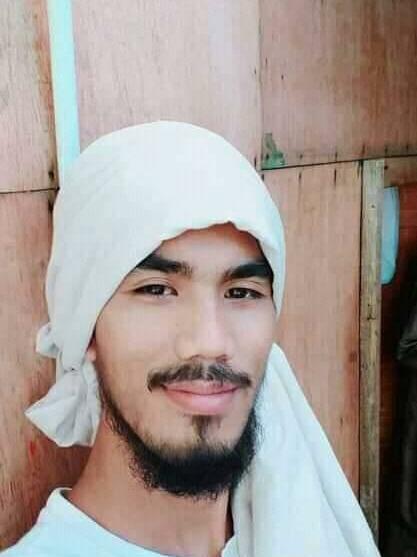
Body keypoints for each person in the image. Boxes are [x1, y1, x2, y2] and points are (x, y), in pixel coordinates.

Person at [2, 121, 380, 557]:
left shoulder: (296, 526)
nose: (210, 341)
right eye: (157, 290)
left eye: (241, 292)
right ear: (84, 327)